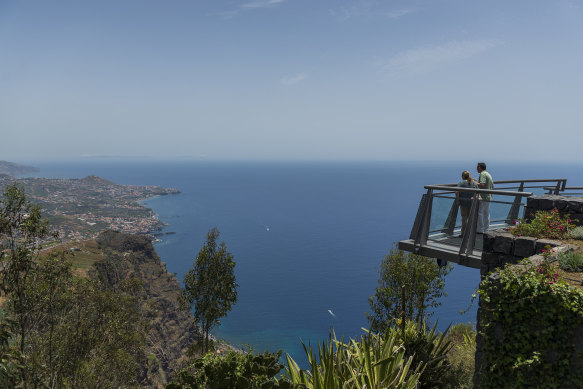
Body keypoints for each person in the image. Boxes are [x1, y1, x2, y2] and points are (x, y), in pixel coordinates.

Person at [456, 171, 477, 237]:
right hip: (472, 202)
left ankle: (464, 233)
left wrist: (458, 200)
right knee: (471, 218)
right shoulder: (474, 183)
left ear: (463, 176)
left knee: (464, 218)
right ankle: (471, 233)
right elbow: (477, 191)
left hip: (463, 202)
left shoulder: (461, 183)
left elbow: (456, 191)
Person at [476, 162, 493, 234]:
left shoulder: (482, 174)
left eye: (477, 167)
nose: (476, 168)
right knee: (486, 214)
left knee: (480, 213)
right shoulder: (488, 174)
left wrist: (475, 182)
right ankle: (486, 229)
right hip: (488, 196)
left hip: (483, 196)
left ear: (480, 167)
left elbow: (482, 184)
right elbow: (492, 185)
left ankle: (480, 230)